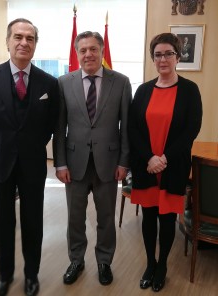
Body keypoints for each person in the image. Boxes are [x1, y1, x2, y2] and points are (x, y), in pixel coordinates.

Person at [0, 18, 58, 296]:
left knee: (33, 222)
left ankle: (31, 275)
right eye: (18, 37)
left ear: (35, 44)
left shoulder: (49, 83)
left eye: (30, 38)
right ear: (7, 42)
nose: (24, 42)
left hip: (33, 163)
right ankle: (4, 276)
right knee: (2, 223)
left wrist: (31, 147)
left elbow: (50, 125)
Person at [53, 31, 132, 287]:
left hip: (108, 164)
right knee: (75, 218)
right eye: (83, 50)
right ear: (77, 54)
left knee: (106, 218)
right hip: (74, 164)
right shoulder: (64, 82)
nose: (88, 54)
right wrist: (60, 162)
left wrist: (123, 162)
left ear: (101, 51)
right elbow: (59, 127)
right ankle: (76, 259)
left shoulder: (120, 82)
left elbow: (126, 127)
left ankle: (104, 262)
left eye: (93, 49)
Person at [128, 32, 202, 292]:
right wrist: (150, 158)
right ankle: (150, 263)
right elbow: (133, 129)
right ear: (153, 58)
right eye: (157, 54)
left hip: (173, 165)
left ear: (177, 57)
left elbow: (192, 129)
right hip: (146, 165)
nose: (163, 59)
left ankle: (163, 266)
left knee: (167, 219)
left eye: (168, 53)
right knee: (149, 217)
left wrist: (164, 158)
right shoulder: (143, 90)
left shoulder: (190, 90)